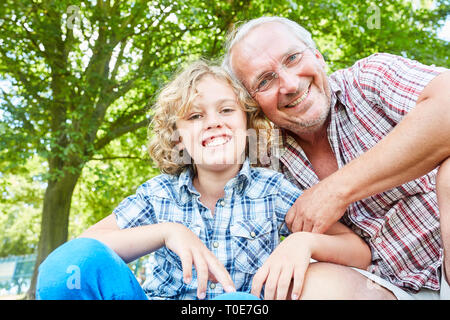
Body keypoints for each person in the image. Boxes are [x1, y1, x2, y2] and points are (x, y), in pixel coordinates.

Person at [36, 60, 371, 300]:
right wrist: (166, 232)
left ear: (248, 125)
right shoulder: (158, 194)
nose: (213, 122)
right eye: (195, 116)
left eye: (226, 111)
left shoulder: (271, 191)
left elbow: (357, 251)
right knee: (65, 268)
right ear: (178, 137)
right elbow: (85, 249)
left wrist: (304, 242)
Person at [223, 16, 450, 299]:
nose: (290, 84)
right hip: (380, 289)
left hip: (446, 264)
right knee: (304, 284)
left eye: (293, 58)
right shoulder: (266, 161)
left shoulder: (369, 78)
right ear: (253, 103)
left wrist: (335, 190)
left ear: (318, 56)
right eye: (265, 80)